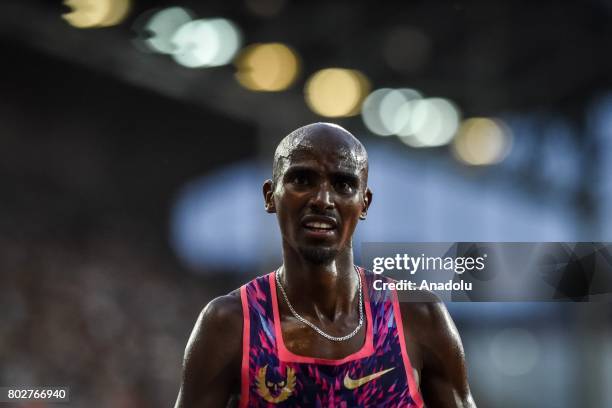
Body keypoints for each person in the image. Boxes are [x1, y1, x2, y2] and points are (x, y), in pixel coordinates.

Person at [174, 123, 476, 407]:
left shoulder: (419, 316)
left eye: (343, 184)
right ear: (270, 196)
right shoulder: (230, 324)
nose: (322, 199)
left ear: (364, 203)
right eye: (302, 179)